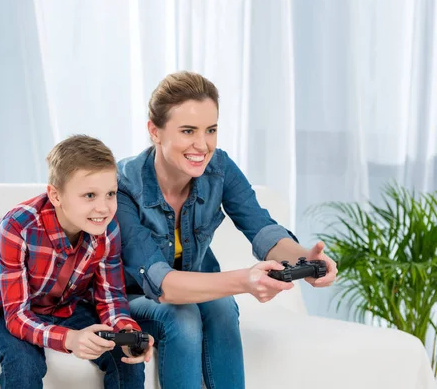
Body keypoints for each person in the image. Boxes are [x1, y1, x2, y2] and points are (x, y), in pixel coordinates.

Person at [115, 71, 338, 389]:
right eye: (188, 131)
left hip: (193, 287)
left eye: (211, 130)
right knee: (184, 317)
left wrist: (306, 259)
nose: (202, 145)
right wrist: (244, 281)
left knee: (221, 306)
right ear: (155, 131)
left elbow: (261, 228)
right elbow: (162, 285)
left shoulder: (218, 168)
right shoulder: (122, 186)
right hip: (129, 297)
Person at [0, 135, 154, 389]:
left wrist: (127, 331)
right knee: (23, 361)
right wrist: (69, 339)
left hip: (65, 308)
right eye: (89, 195)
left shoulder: (107, 230)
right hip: (8, 312)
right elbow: (17, 316)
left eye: (110, 194)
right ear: (55, 195)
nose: (104, 208)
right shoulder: (17, 227)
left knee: (124, 355)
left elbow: (111, 299)